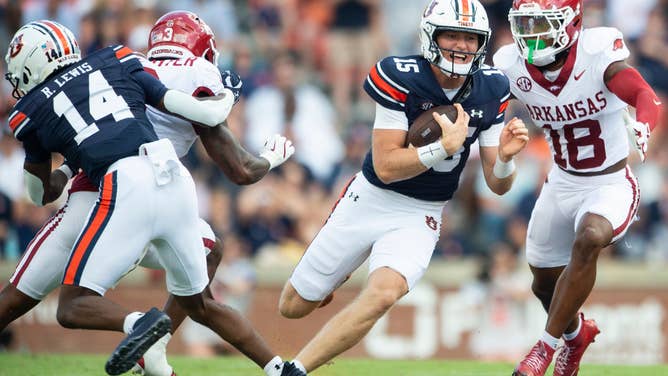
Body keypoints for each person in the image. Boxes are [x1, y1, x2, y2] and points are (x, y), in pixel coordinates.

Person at [2, 19, 302, 376]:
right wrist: (229, 101)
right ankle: (274, 368)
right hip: (170, 182)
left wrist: (58, 166)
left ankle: (143, 330)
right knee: (205, 276)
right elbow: (237, 165)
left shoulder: (42, 104)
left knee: (45, 303)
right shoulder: (118, 60)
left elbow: (41, 192)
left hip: (105, 196)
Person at [277, 0, 529, 373]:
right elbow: (386, 165)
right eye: (453, 35)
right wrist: (440, 148)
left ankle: (296, 369)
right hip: (371, 198)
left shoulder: (491, 89)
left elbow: (498, 185)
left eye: (470, 38)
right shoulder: (403, 76)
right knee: (293, 306)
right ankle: (340, 271)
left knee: (384, 293)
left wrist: (506, 159)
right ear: (432, 36)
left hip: (421, 212)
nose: (462, 45)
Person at [492, 1, 663, 375]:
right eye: (525, 24)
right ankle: (575, 334)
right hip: (562, 182)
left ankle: (544, 348)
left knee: (590, 236)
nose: (531, 34)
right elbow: (483, 106)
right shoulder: (510, 65)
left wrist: (644, 124)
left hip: (610, 181)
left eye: (540, 23)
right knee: (542, 285)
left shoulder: (596, 51)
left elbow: (644, 95)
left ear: (571, 24)